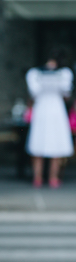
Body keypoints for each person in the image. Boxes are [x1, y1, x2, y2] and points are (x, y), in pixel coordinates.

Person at [25, 53, 74, 187]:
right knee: (39, 146)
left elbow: (33, 94)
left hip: (51, 110)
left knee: (54, 146)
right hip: (48, 110)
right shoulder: (36, 74)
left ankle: (48, 177)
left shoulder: (61, 74)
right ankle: (41, 177)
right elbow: (66, 94)